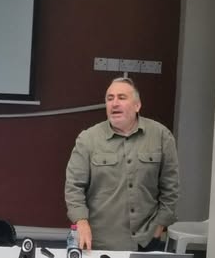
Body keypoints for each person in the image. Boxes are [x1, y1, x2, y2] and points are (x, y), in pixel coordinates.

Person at [64, 77, 179, 251]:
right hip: (100, 242)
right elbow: (73, 187)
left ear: (137, 105)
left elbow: (171, 188)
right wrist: (81, 222)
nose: (114, 103)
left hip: (147, 239)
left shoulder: (162, 136)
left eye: (122, 97)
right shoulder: (87, 139)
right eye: (110, 98)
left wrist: (159, 226)